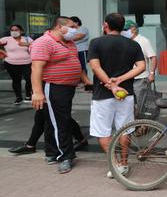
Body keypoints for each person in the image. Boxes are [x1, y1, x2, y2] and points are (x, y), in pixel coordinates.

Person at [30, 16, 92, 174]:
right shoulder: (44, 42)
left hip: (66, 87)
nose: (75, 30)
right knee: (61, 122)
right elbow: (36, 68)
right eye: (71, 27)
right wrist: (37, 92)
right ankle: (66, 156)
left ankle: (52, 153)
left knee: (53, 120)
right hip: (53, 86)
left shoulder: (69, 42)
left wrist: (85, 81)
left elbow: (76, 64)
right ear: (59, 27)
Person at [88, 13, 146, 178]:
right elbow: (141, 66)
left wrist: (111, 85)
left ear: (105, 25)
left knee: (103, 132)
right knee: (125, 130)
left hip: (102, 95)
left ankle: (114, 164)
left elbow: (95, 67)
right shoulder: (132, 44)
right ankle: (124, 164)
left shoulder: (96, 42)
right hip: (126, 94)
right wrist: (120, 80)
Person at [123, 20, 157, 109]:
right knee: (129, 105)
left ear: (134, 29)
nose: (123, 31)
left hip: (141, 79)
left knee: (141, 104)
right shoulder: (124, 41)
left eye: (126, 29)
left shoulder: (143, 41)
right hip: (127, 78)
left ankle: (143, 122)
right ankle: (134, 122)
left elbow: (153, 57)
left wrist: (152, 73)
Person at [1, 24, 33, 104]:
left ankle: (28, 96)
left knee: (29, 79)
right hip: (11, 63)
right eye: (12, 30)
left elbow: (37, 46)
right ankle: (18, 97)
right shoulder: (6, 39)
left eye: (16, 30)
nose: (14, 32)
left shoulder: (27, 39)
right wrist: (3, 52)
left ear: (21, 31)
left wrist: (26, 44)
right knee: (16, 80)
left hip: (27, 62)